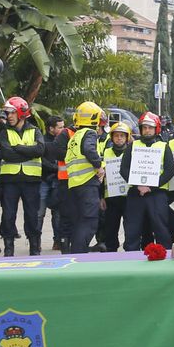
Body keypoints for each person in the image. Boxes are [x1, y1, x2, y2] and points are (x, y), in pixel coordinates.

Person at [0, 97, 45, 255]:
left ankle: (34, 248)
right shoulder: (4, 132)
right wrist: (28, 151)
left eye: (11, 113)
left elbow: (40, 150)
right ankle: (9, 248)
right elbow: (7, 155)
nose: (8, 116)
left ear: (21, 113)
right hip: (10, 181)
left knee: (32, 216)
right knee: (8, 215)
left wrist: (18, 147)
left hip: (31, 181)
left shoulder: (35, 130)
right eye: (7, 113)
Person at [123, 112, 173, 251]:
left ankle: (166, 259)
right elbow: (124, 169)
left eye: (150, 127)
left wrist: (150, 187)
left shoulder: (164, 147)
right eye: (144, 127)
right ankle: (130, 260)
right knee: (132, 230)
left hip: (157, 193)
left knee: (161, 229)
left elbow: (169, 171)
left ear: (156, 129)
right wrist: (138, 185)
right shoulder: (132, 146)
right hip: (136, 192)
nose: (147, 130)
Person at [64, 102, 105, 253]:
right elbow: (89, 149)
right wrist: (98, 166)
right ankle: (79, 255)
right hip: (87, 184)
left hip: (75, 185)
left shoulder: (74, 137)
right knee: (89, 221)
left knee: (80, 222)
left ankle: (76, 252)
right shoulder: (90, 133)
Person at [96, 121, 133, 252]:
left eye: (122, 136)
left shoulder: (132, 153)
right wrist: (101, 197)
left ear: (127, 137)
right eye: (116, 135)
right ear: (112, 137)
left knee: (130, 229)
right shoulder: (105, 153)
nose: (119, 138)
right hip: (111, 198)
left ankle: (130, 253)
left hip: (128, 198)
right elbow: (101, 177)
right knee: (110, 229)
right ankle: (111, 252)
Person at [40, 115, 68, 252]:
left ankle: (58, 241)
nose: (64, 129)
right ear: (51, 128)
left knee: (58, 214)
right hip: (44, 180)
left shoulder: (65, 140)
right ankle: (35, 242)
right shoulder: (42, 140)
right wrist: (54, 168)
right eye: (60, 127)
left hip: (59, 181)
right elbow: (40, 160)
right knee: (39, 212)